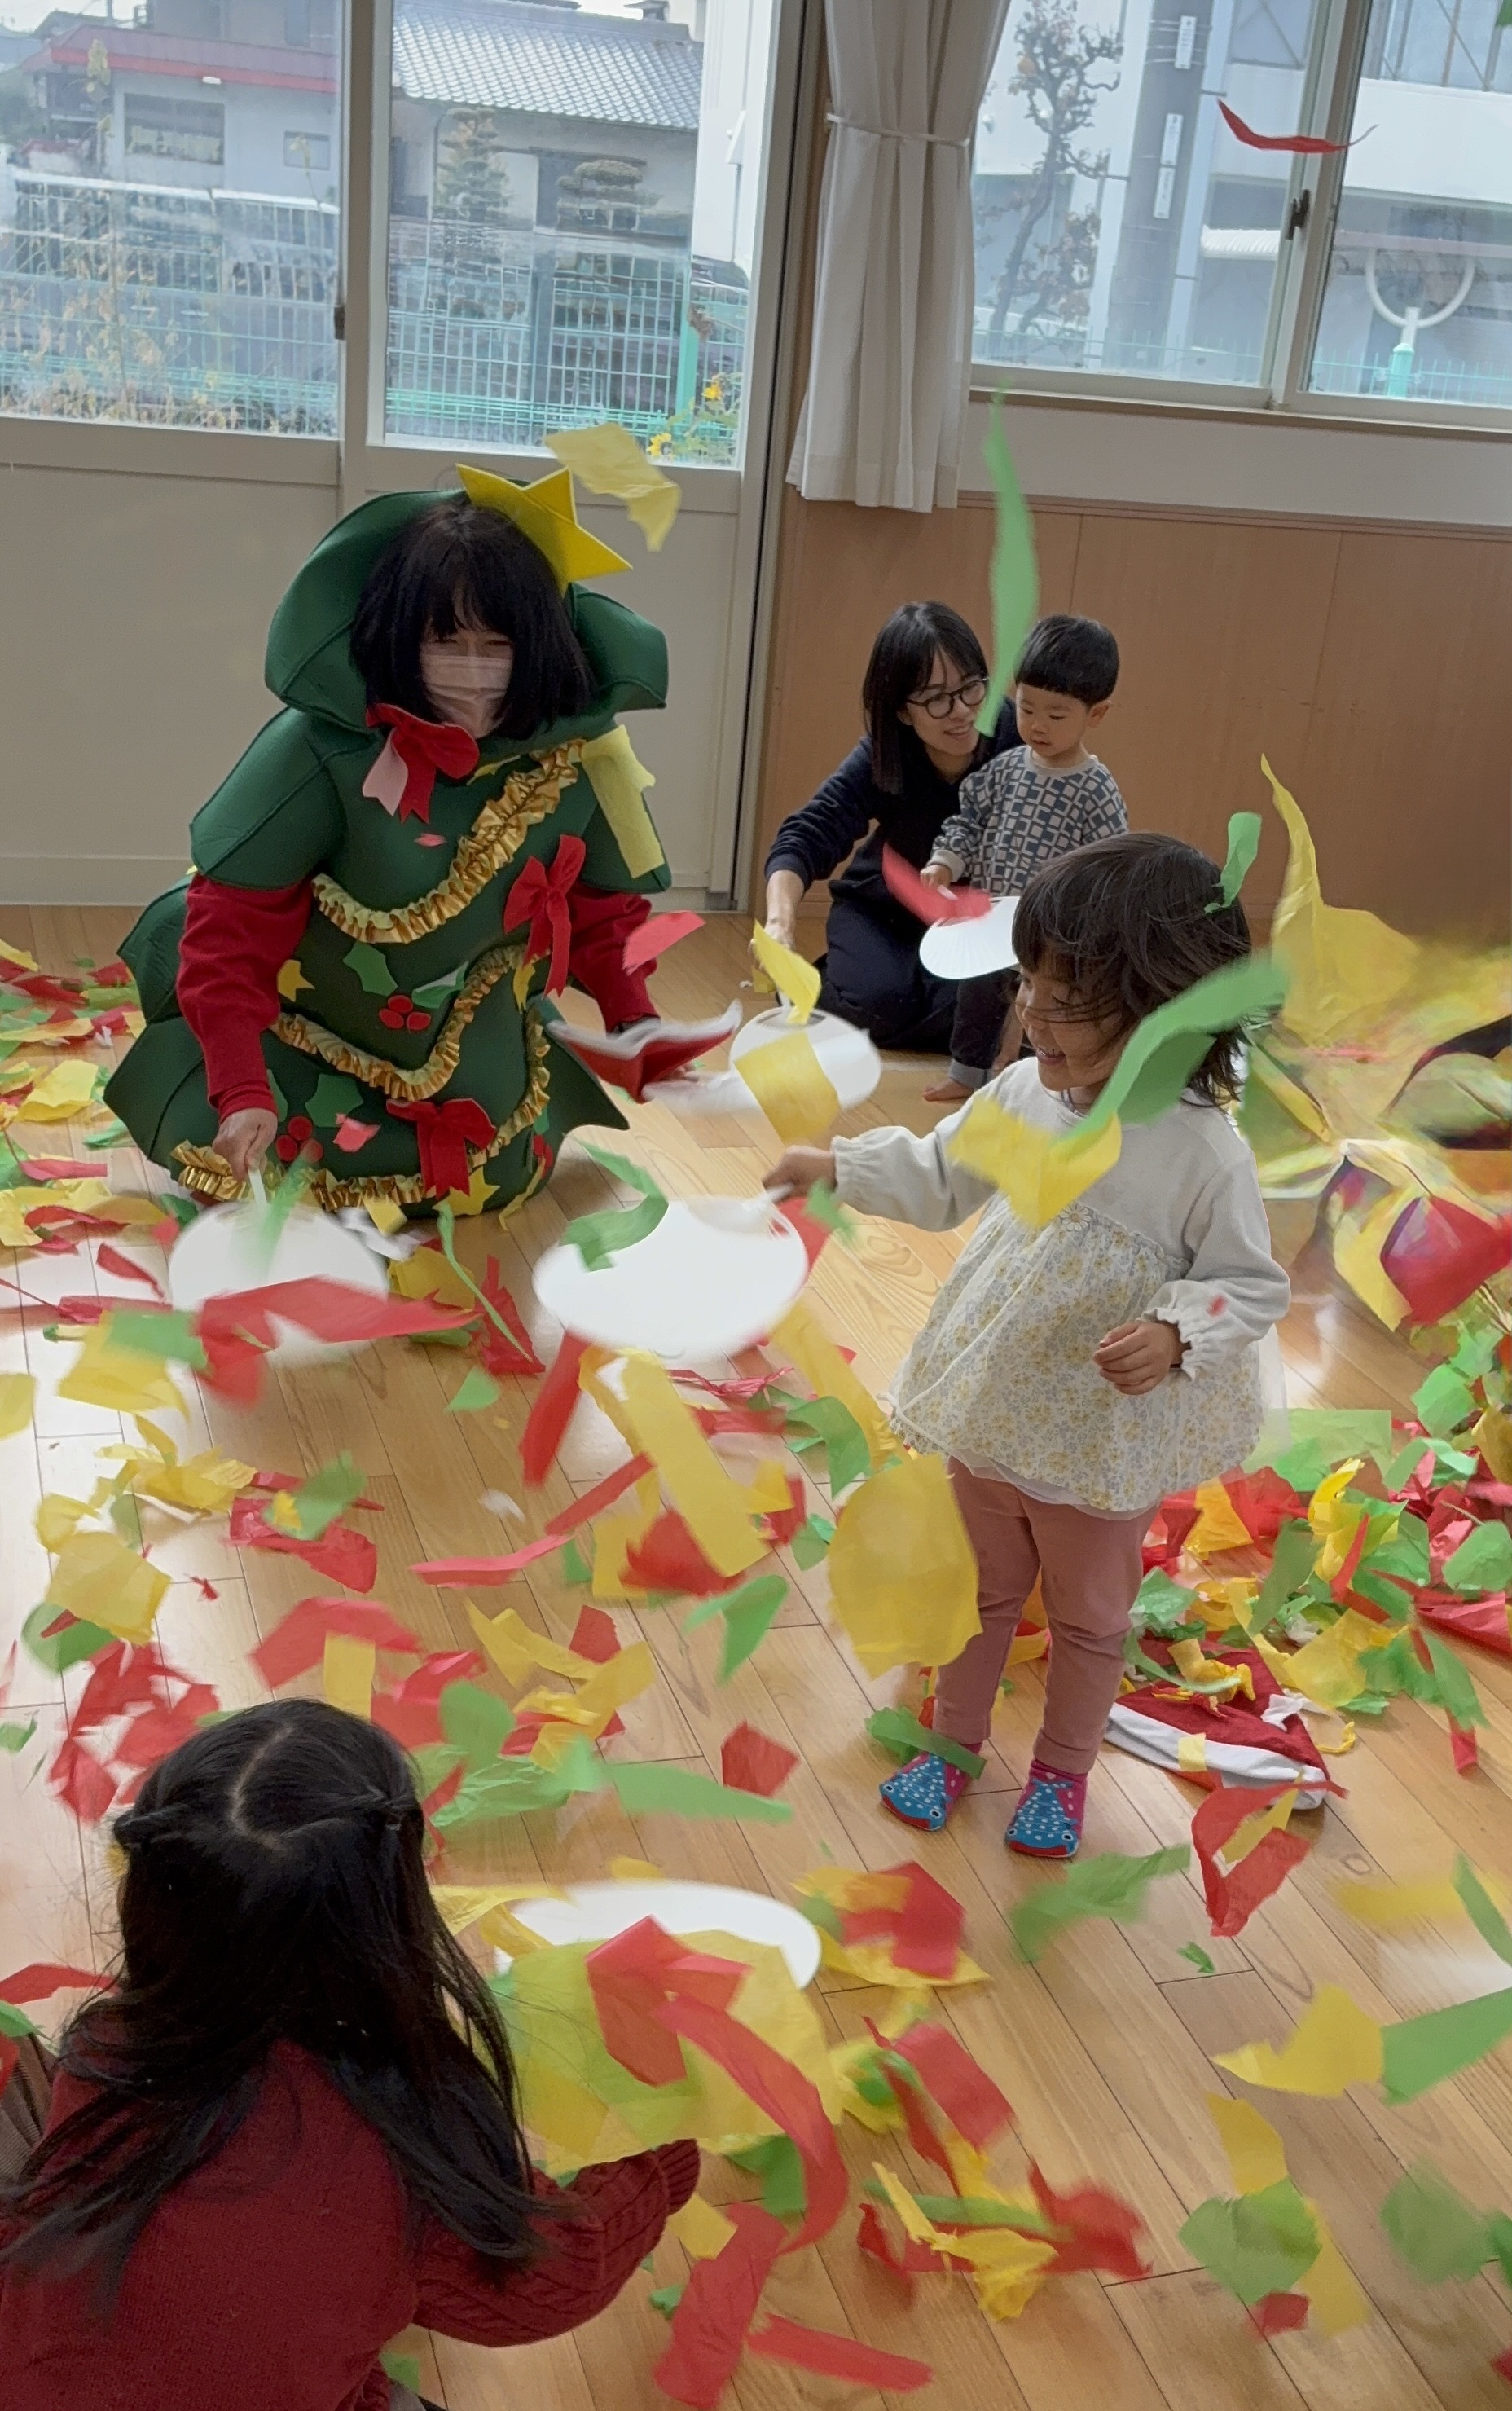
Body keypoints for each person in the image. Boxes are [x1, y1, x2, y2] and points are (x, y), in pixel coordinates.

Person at [0, 1703, 698, 2411]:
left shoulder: (108, 2045)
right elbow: (553, 2277)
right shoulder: (410, 2138)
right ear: (392, 1906)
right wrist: (659, 2168)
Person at [767, 835, 1290, 1861]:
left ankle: (1059, 1773)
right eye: (1028, 987)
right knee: (977, 1591)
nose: (1033, 1015)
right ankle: (953, 1745)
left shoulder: (1201, 1153)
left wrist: (1174, 1330)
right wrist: (835, 1165)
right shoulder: (1022, 1096)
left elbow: (1250, 1284)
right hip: (995, 1405)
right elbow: (939, 1177)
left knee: (1090, 1618)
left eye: (1068, 1000)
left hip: (1098, 1444)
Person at [105, 475, 736, 1217]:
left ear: (537, 645)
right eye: (446, 643)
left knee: (494, 1175)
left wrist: (638, 1024)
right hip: (301, 1056)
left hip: (477, 1075)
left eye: (497, 646)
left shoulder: (588, 755)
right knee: (281, 1183)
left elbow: (604, 911)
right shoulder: (315, 753)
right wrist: (242, 1089)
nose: (473, 672)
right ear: (401, 638)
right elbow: (230, 932)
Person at [761, 601, 1019, 1057]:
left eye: (971, 688)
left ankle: (903, 995)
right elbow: (806, 834)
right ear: (902, 710)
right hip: (883, 912)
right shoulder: (886, 752)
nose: (961, 711)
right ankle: (843, 985)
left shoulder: (1018, 738)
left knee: (977, 1012)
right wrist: (779, 925)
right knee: (880, 1005)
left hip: (974, 922)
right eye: (937, 699)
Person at [921, 614, 1127, 1103]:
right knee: (976, 1000)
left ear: (1096, 715)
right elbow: (968, 821)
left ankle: (1036, 1088)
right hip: (991, 917)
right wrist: (945, 862)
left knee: (1044, 1011)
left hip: (1051, 934)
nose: (1036, 724)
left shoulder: (1096, 789)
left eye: (1056, 716)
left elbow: (1108, 869)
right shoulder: (1006, 769)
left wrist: (1085, 926)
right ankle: (966, 1073)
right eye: (1027, 707)